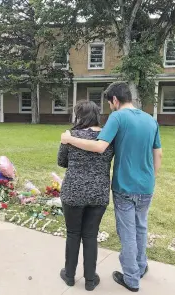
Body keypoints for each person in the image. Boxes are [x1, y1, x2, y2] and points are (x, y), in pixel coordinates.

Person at [61, 82, 163, 292]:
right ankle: (141, 266)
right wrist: (152, 177)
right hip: (146, 185)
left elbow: (99, 146)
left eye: (110, 103)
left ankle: (132, 279)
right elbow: (158, 154)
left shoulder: (117, 117)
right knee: (141, 227)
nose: (110, 107)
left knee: (127, 232)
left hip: (125, 185)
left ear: (115, 100)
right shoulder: (151, 120)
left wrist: (69, 139)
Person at [57, 100, 114, 291]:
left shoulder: (70, 136)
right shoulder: (108, 137)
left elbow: (61, 161)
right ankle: (90, 280)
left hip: (73, 191)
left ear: (79, 115)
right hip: (99, 192)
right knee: (90, 235)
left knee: (73, 234)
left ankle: (70, 275)